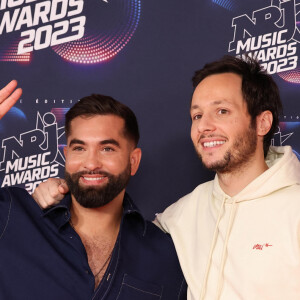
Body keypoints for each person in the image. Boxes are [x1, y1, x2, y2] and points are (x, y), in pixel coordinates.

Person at [34, 56, 300, 300]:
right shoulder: (181, 215)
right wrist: (54, 194)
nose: (204, 126)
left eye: (222, 111)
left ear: (262, 123)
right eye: (197, 115)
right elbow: (107, 232)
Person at [0, 87, 187, 299]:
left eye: (107, 149)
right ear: (66, 154)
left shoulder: (166, 254)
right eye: (79, 148)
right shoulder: (12, 215)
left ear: (133, 161)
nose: (90, 163)